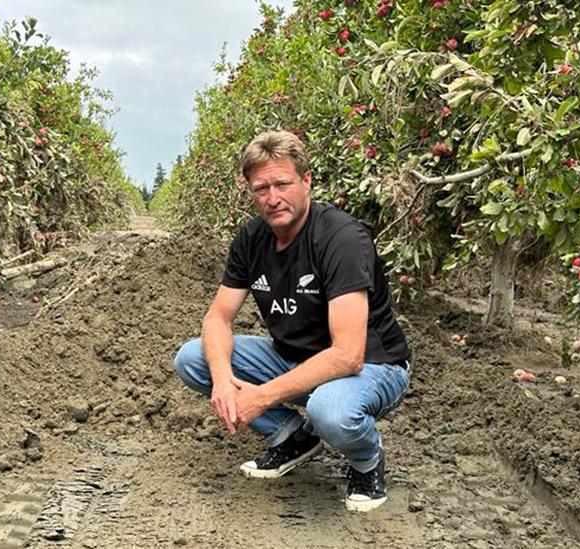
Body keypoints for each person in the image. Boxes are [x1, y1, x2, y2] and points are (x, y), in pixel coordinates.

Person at [172, 130, 411, 512]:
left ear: (306, 180)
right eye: (260, 188)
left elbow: (348, 355)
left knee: (329, 410)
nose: (272, 198)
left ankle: (366, 460)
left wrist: (260, 396)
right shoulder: (251, 238)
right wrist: (221, 379)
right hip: (294, 357)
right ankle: (291, 437)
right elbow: (217, 319)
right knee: (193, 358)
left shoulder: (340, 239)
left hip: (371, 366)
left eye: (282, 184)